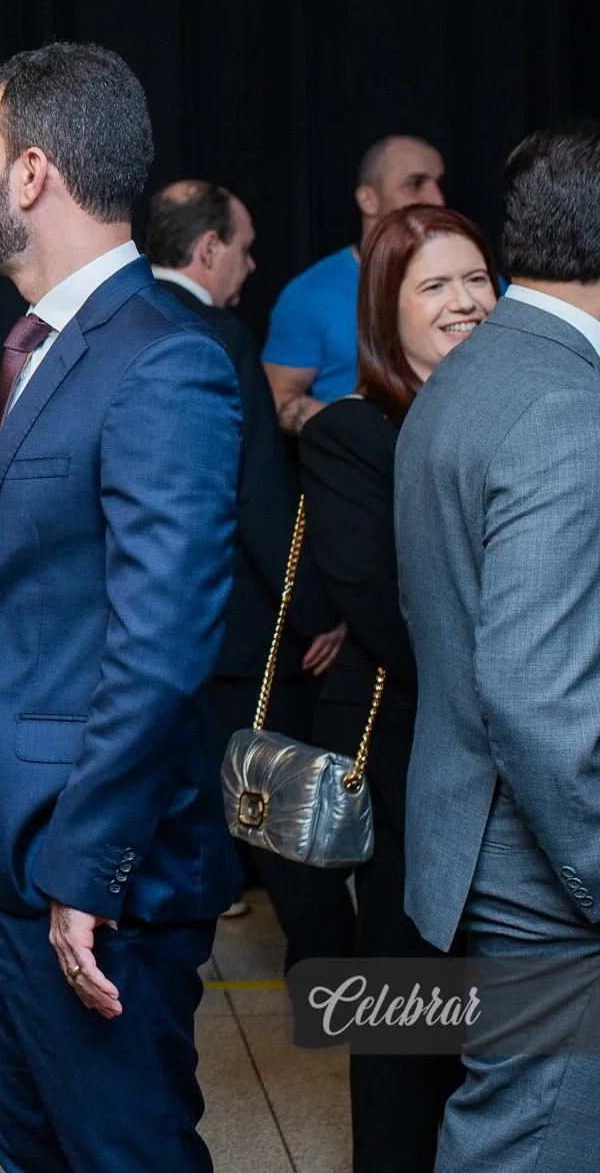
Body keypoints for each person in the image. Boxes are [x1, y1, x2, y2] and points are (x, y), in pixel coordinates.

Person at [0, 43, 242, 1171]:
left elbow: (160, 649)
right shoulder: (37, 349)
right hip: (9, 865)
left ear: (31, 173)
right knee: (37, 1154)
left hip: (94, 884)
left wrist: (82, 872)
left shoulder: (161, 360)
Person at [396, 121, 600, 1171]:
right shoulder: (568, 406)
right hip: (549, 874)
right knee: (530, 1142)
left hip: (481, 847)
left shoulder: (466, 375)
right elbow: (533, 694)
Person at [299, 204, 495, 1171]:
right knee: (406, 1013)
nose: (465, 302)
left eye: (477, 279)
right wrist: (519, 682)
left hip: (518, 755)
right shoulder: (353, 432)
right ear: (387, 309)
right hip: (412, 756)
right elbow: (379, 603)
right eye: (435, 285)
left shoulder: (524, 410)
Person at [146, 181, 346, 939]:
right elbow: (259, 493)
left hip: (147, 630)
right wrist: (319, 611)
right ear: (208, 249)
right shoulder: (222, 337)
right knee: (288, 825)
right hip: (239, 633)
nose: (252, 264)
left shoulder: (118, 321)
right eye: (244, 247)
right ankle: (338, 986)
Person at [263, 136, 445, 433]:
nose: (437, 199)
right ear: (368, 200)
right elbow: (278, 396)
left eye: (439, 184)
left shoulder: (472, 283)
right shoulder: (310, 293)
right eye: (415, 184)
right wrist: (363, 438)